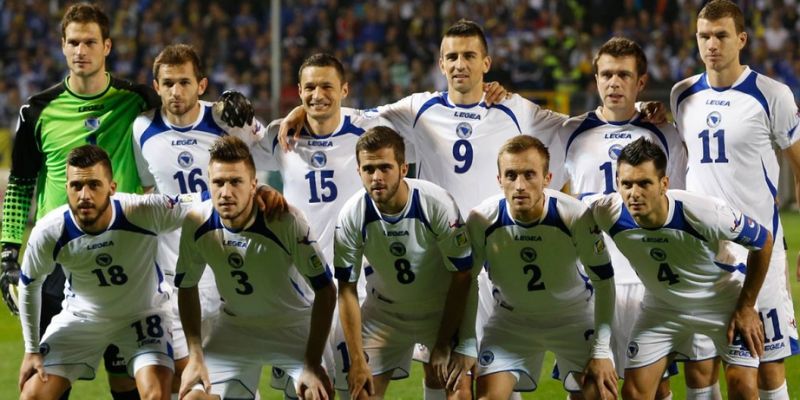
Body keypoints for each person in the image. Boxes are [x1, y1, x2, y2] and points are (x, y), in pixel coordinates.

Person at [0, 4, 160, 398]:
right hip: (58, 259)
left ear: (107, 46)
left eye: (90, 41)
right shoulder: (37, 110)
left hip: (122, 254)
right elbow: (20, 184)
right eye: (73, 42)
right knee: (46, 380)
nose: (80, 50)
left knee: (129, 381)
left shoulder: (137, 100)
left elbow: (186, 110)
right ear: (62, 46)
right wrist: (7, 253)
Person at [670, 1, 800, 397]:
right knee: (700, 369)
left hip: (761, 248)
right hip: (704, 253)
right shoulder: (682, 94)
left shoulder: (771, 94)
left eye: (721, 35)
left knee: (765, 367)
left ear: (741, 39)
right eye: (704, 36)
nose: (712, 44)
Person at [255, 52, 401, 399]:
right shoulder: (281, 135)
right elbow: (239, 164)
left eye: (326, 86)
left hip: (359, 282)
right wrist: (260, 188)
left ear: (345, 90)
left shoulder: (371, 129)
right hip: (301, 282)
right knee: (312, 390)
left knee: (362, 390)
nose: (317, 94)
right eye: (309, 87)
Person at [132, 43, 273, 396]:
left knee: (233, 385)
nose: (175, 92)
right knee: (186, 386)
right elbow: (148, 187)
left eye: (184, 82)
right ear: (156, 84)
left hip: (228, 270)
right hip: (172, 276)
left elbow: (270, 147)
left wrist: (253, 117)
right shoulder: (142, 129)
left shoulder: (226, 119)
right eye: (167, 84)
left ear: (202, 84)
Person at [591, 137, 773, 399]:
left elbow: (763, 241)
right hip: (662, 308)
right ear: (617, 184)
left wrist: (746, 307)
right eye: (626, 184)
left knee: (743, 388)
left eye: (644, 183)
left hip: (721, 302)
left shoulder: (704, 212)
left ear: (664, 183)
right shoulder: (607, 212)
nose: (634, 193)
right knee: (634, 393)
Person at [559, 37, 686, 398]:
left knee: (653, 390)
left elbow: (678, 204)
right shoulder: (568, 131)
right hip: (587, 282)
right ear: (596, 79)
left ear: (640, 82)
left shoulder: (666, 135)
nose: (614, 83)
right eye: (606, 74)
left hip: (647, 280)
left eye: (624, 75)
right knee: (586, 388)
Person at [17, 144, 196, 400]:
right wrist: (31, 350)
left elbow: (202, 206)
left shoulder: (142, 211)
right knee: (32, 395)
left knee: (155, 393)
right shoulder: (49, 231)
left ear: (111, 188)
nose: (84, 195)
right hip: (82, 319)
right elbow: (29, 284)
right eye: (76, 186)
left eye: (93, 185)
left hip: (142, 316)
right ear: (66, 187)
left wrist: (258, 194)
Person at [176, 136, 336, 400]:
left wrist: (311, 362)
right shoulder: (196, 222)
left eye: (236, 182)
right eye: (218, 182)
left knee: (315, 394)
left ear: (254, 185)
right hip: (235, 327)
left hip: (293, 326)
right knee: (192, 398)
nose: (226, 192)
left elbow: (326, 291)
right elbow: (187, 285)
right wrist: (195, 355)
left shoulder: (284, 220)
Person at [467, 135, 616, 399]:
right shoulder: (481, 218)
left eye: (530, 175)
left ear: (547, 179)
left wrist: (602, 351)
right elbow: (466, 281)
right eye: (511, 175)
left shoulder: (576, 215)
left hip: (573, 317)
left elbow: (604, 281)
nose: (520, 185)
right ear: (499, 179)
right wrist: (465, 343)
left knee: (602, 394)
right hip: (512, 321)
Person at [334, 127, 474, 399]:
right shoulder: (352, 215)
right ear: (359, 171)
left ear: (403, 168)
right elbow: (347, 290)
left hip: (439, 312)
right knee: (360, 392)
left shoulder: (436, 204)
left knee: (459, 392)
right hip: (383, 316)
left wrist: (444, 343)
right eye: (369, 168)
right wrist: (357, 360)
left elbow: (462, 276)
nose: (376, 177)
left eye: (385, 167)